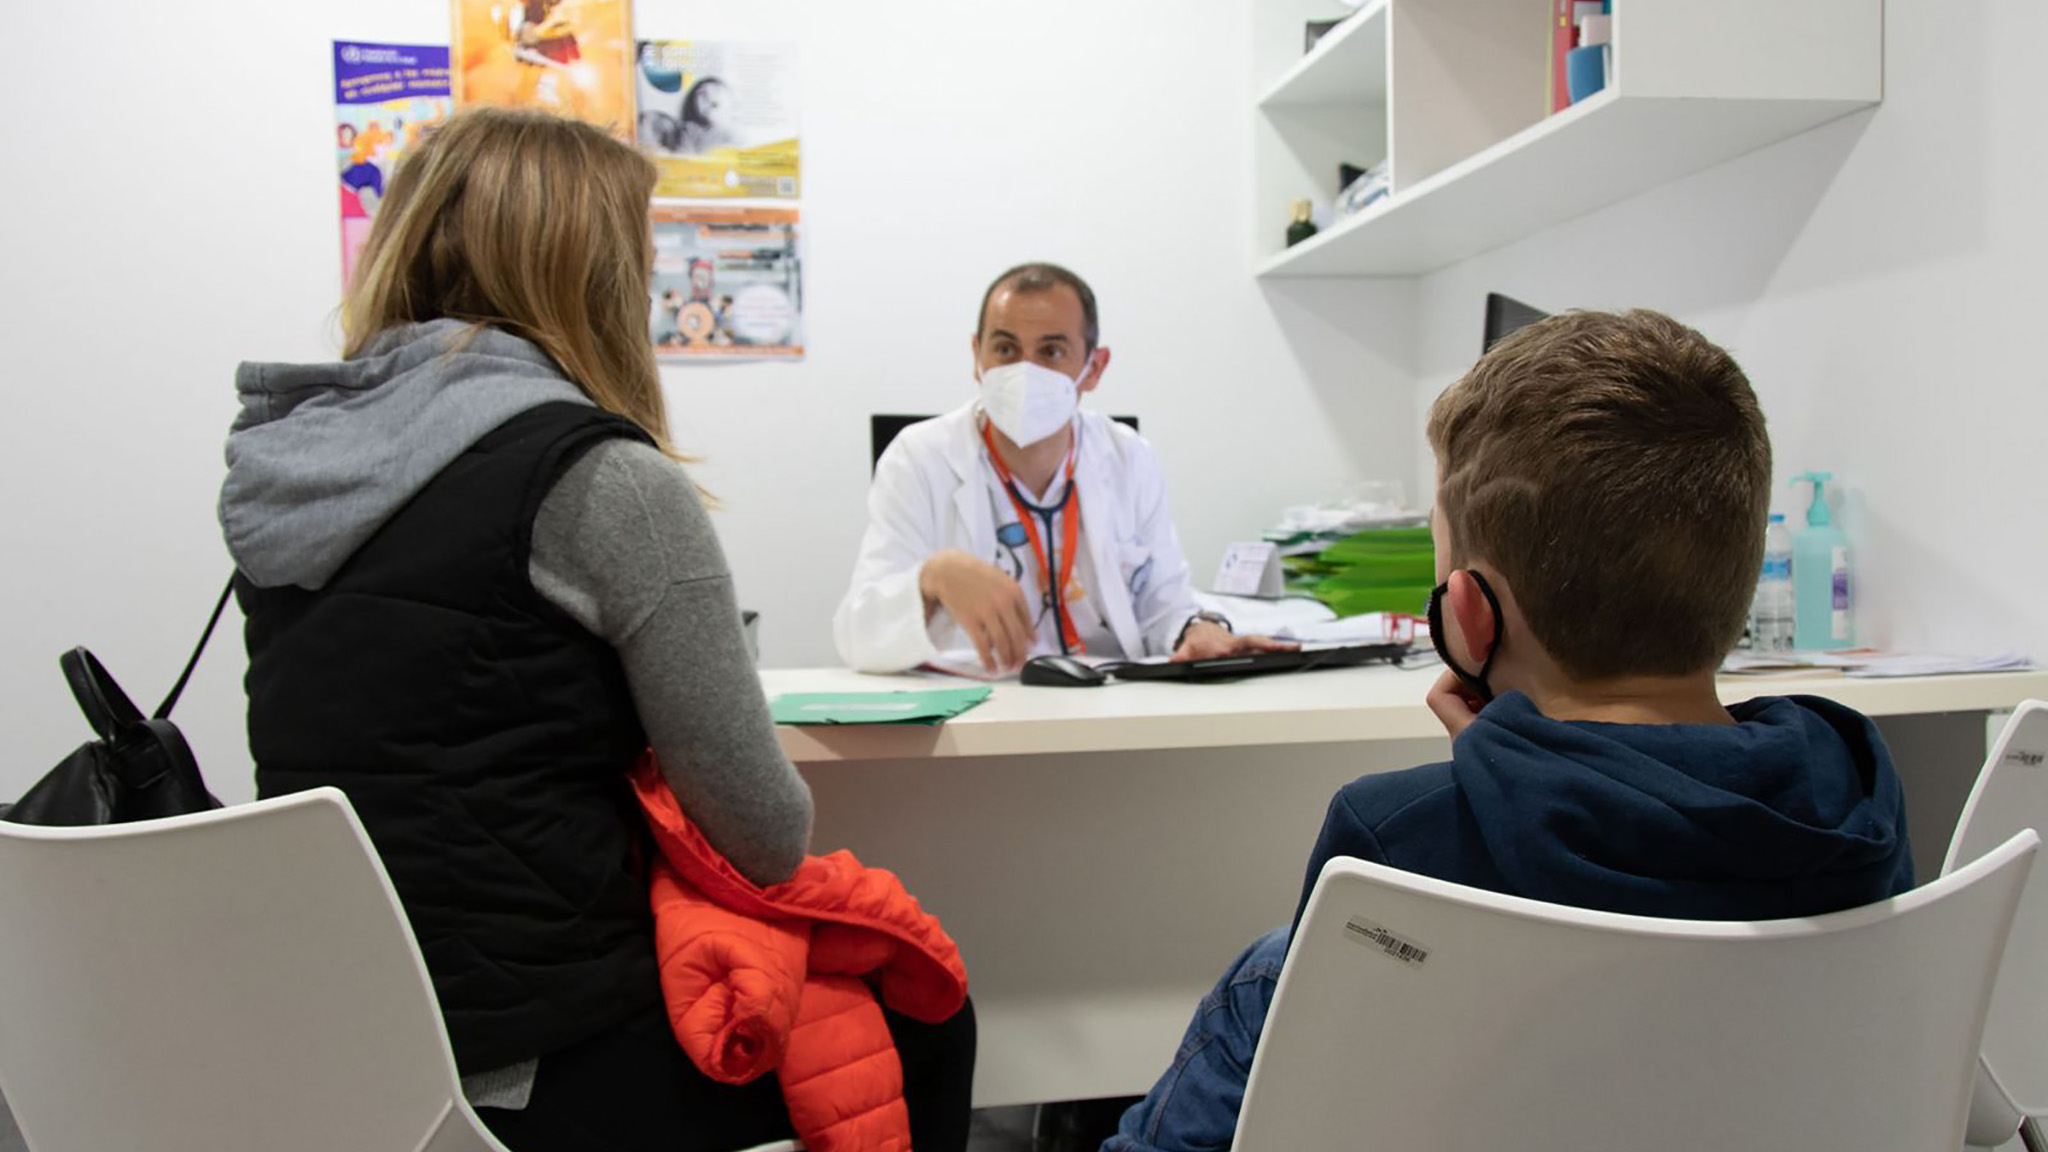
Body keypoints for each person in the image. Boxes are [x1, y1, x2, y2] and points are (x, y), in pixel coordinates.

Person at [220, 107, 974, 1152]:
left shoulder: (283, 469)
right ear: (590, 276)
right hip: (535, 1057)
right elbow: (763, 834)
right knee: (924, 1006)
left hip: (332, 1033)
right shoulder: (597, 479)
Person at [1105, 309, 1916, 1152]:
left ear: (1467, 617)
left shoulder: (1392, 840)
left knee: (1265, 979)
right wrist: (1521, 770)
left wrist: (1502, 777)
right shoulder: (1857, 794)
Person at [834, 262, 1292, 675]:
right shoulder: (919, 457)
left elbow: (1163, 601)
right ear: (977, 356)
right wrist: (933, 577)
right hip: (975, 705)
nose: (1025, 371)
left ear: (1093, 368)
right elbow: (857, 636)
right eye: (1006, 349)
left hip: (1108, 700)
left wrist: (1197, 628)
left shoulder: (1129, 456)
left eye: (1051, 352)